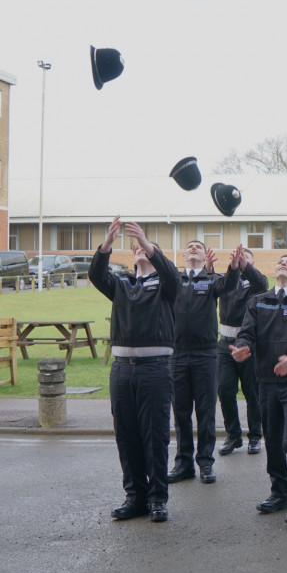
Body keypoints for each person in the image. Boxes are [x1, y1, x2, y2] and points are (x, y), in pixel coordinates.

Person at [90, 216, 180, 523]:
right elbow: (96, 275)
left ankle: (157, 499)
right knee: (125, 434)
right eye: (137, 249)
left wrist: (148, 244)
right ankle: (135, 497)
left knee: (154, 435)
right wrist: (107, 245)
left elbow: (171, 275)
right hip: (122, 370)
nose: (141, 251)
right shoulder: (122, 283)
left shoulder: (165, 283)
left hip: (155, 368)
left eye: (146, 249)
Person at [231, 254, 287, 524]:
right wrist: (242, 346)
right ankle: (280, 491)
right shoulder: (259, 301)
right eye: (280, 261)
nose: (284, 263)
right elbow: (247, 332)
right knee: (273, 441)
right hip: (266, 383)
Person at [168, 240, 239, 484]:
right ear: (184, 255)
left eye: (199, 246)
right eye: (190, 247)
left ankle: (205, 463)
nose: (194, 249)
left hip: (205, 354)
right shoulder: (174, 280)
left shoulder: (210, 280)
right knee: (181, 412)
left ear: (205, 254)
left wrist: (233, 267)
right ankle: (183, 463)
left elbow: (228, 285)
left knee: (206, 412)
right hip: (176, 354)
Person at [217, 248, 269, 456]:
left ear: (251, 262)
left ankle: (255, 436)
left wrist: (246, 267)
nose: (240, 261)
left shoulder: (255, 282)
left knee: (252, 392)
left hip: (249, 343)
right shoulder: (226, 280)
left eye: (245, 258)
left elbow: (262, 284)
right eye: (237, 258)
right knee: (225, 389)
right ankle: (233, 435)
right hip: (225, 342)